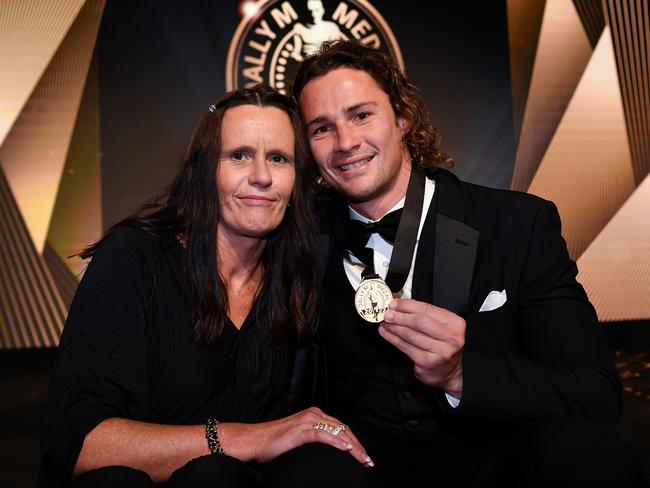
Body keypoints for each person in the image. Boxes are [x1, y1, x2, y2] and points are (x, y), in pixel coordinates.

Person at [290, 40, 647, 487]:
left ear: (403, 117)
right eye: (321, 128)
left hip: (494, 468)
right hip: (364, 473)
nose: (346, 142)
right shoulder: (297, 240)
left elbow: (594, 393)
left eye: (362, 115)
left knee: (591, 455)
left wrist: (461, 374)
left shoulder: (518, 225)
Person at [39, 84, 372, 488]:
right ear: (205, 169)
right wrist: (241, 438)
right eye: (239, 155)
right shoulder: (136, 257)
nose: (262, 176)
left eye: (279, 159)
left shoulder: (302, 271)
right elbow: (77, 445)